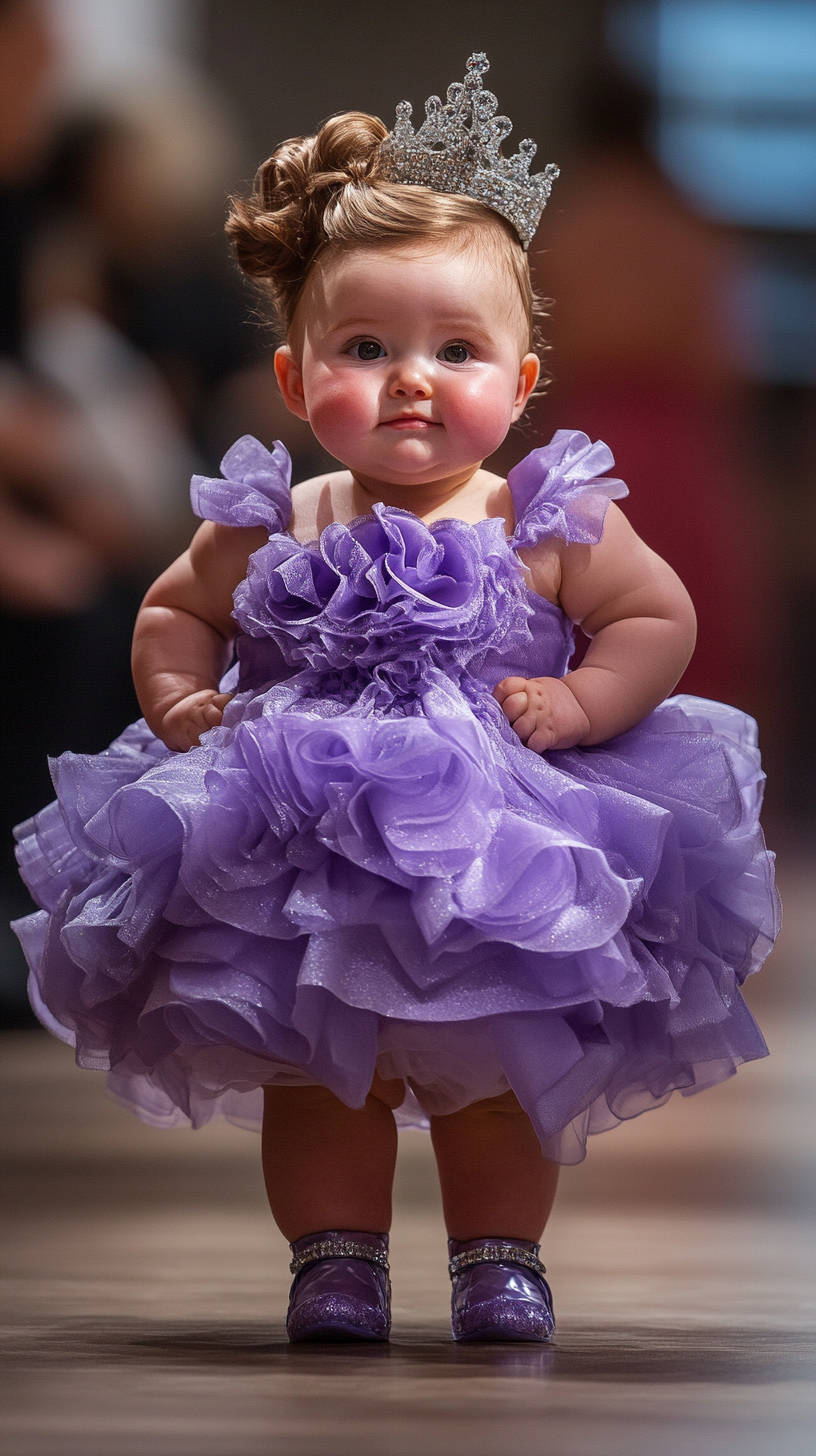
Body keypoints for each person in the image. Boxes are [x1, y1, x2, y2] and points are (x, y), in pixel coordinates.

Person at [13, 56, 779, 1346]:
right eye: (366, 350)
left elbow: (658, 618)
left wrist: (587, 702)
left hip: (498, 846)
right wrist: (182, 696)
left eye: (456, 351)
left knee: (500, 1062)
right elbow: (170, 611)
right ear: (299, 384)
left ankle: (499, 1256)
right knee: (321, 1071)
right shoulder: (283, 514)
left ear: (523, 382)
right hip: (298, 849)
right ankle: (334, 1257)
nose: (413, 378)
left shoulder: (544, 512)